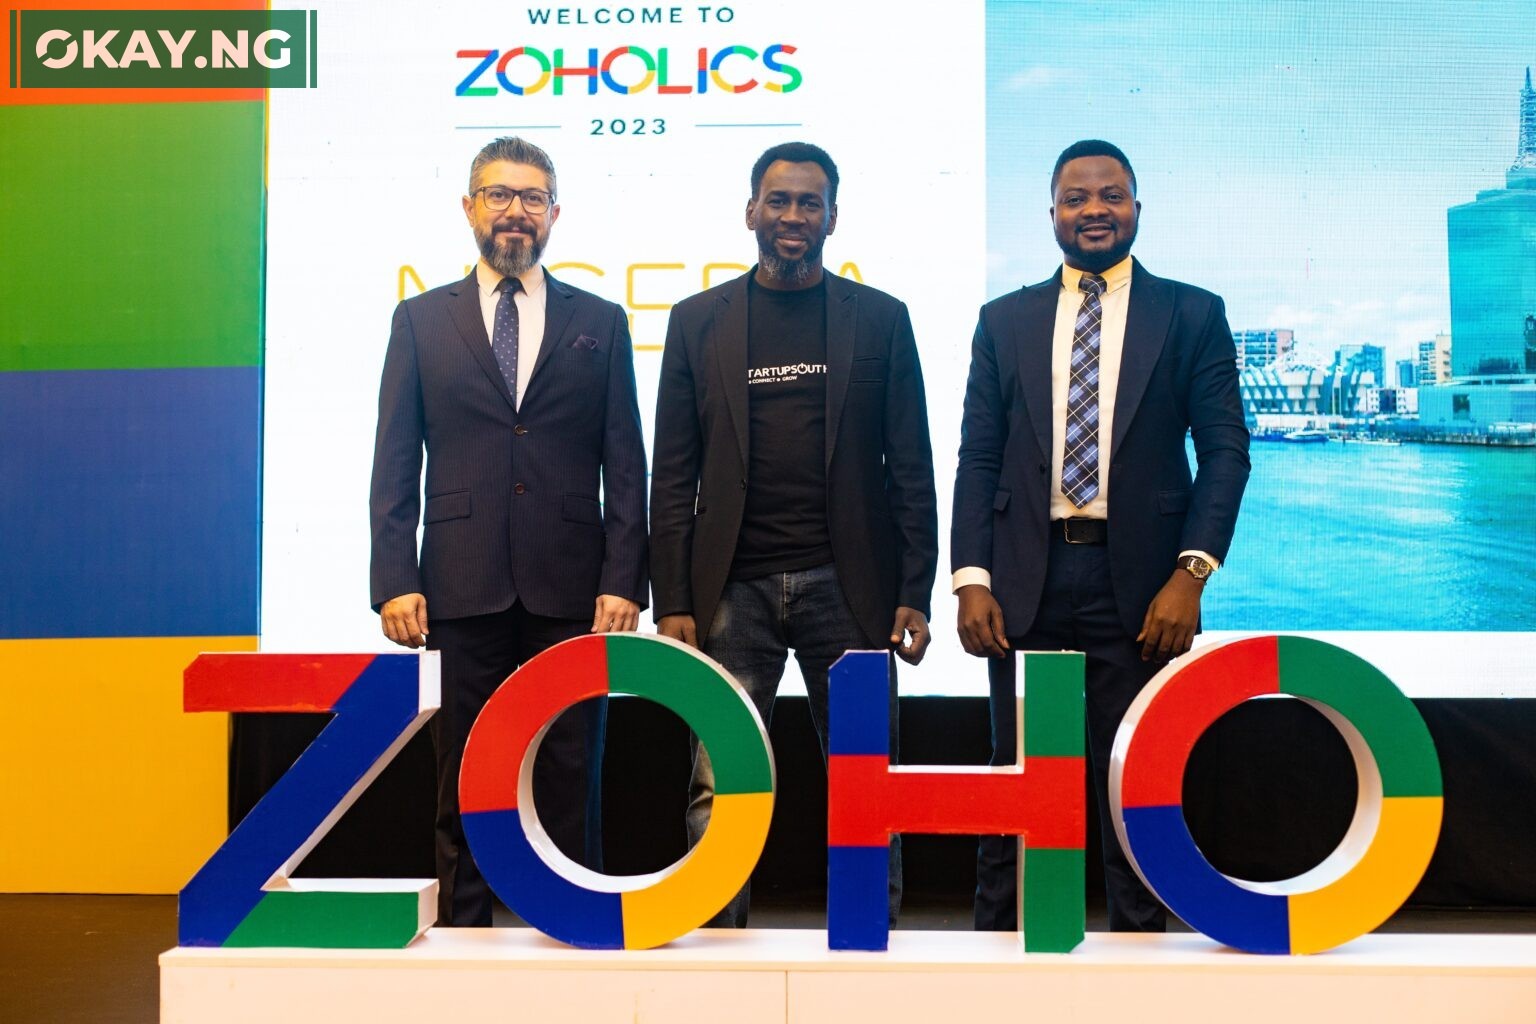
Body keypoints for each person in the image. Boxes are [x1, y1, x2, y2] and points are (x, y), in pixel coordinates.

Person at [952, 139, 1249, 932]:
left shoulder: (1191, 314)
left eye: (1111, 195)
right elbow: (979, 456)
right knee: (1015, 775)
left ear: (1137, 209)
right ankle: (994, 953)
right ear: (1051, 212)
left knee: (1134, 781)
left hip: (1145, 588)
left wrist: (1191, 574)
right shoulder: (1003, 319)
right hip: (1026, 582)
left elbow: (1225, 451)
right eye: (1076, 197)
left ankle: (1142, 962)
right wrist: (971, 578)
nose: (1094, 210)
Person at [650, 141, 938, 927]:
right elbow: (672, 474)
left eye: (810, 202)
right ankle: (718, 950)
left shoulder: (881, 319)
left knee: (866, 778)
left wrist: (914, 590)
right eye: (778, 200)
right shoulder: (696, 322)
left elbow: (911, 466)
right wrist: (671, 599)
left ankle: (868, 945)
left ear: (833, 218)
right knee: (719, 782)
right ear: (751, 210)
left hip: (850, 590)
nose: (792, 215)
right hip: (729, 590)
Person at [369, 136, 648, 927]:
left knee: (568, 770)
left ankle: (572, 929)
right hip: (458, 584)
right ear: (470, 207)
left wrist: (624, 578)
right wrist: (394, 578)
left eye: (531, 198)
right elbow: (395, 458)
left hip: (572, 587)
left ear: (554, 213)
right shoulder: (420, 321)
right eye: (499, 195)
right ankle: (464, 937)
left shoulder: (601, 321)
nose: (515, 211)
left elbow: (626, 463)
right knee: (464, 770)